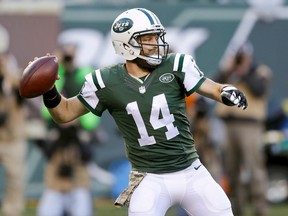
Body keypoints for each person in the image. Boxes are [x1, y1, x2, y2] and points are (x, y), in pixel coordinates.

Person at [34, 8, 248, 216]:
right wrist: (49, 89)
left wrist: (225, 91)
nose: (156, 44)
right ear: (127, 44)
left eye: (157, 37)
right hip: (149, 178)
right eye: (149, 38)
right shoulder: (106, 81)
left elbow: (213, 88)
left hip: (191, 171)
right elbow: (64, 113)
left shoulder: (175, 65)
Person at [37, 44, 100, 216]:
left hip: (78, 142)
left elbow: (89, 109)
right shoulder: (58, 74)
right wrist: (59, 68)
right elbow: (47, 110)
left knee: (81, 198)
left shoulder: (83, 73)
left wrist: (77, 124)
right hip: (58, 144)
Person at [214, 42, 272, 216]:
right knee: (231, 169)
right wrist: (229, 69)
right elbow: (213, 84)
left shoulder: (260, 71)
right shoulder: (229, 73)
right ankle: (236, 209)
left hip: (250, 126)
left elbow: (259, 90)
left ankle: (260, 209)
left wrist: (244, 71)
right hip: (228, 125)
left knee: (254, 168)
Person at [0, 50, 27, 215]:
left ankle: (13, 210)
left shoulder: (14, 76)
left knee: (16, 179)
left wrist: (7, 74)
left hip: (13, 138)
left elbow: (22, 87)